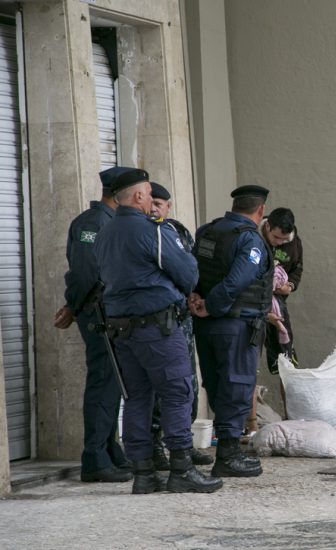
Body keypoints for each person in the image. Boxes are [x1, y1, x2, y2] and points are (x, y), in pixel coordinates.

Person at [93, 167, 222, 494]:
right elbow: (188, 273)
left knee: (137, 397)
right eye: (149, 194)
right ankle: (181, 469)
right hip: (158, 327)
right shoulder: (154, 230)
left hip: (122, 330)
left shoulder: (105, 232)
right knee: (178, 392)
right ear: (138, 196)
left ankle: (144, 474)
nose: (152, 201)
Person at [53, 167, 133, 483]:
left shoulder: (111, 222)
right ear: (119, 193)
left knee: (112, 383)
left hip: (112, 313)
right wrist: (74, 307)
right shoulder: (92, 223)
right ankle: (94, 458)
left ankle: (109, 448)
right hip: (99, 314)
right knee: (103, 381)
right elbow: (86, 272)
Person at [190, 185, 273, 477]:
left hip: (204, 324)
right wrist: (211, 305)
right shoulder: (250, 240)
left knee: (215, 383)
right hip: (235, 324)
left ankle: (227, 449)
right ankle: (228, 455)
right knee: (236, 384)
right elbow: (238, 281)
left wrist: (197, 299)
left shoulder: (207, 232)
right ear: (260, 211)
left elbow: (192, 270)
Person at [147, 182, 213, 468]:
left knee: (185, 385)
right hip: (157, 321)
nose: (153, 210)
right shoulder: (142, 233)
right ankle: (156, 448)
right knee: (154, 388)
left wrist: (196, 295)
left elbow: (191, 269)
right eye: (150, 204)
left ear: (168, 207)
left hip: (182, 321)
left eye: (158, 205)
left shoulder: (178, 231)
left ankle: (183, 444)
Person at [261, 207, 303, 376]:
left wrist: (290, 285)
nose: (279, 242)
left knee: (285, 360)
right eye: (276, 237)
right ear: (267, 226)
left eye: (284, 239)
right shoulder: (253, 236)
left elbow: (297, 269)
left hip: (278, 301)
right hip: (253, 301)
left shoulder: (294, 243)